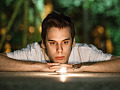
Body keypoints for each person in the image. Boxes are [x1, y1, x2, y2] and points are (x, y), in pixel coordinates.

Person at [0, 11, 120, 72]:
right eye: (52, 43)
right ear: (43, 43)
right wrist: (41, 67)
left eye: (65, 42)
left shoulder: (85, 52)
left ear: (73, 42)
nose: (59, 50)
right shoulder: (34, 52)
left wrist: (78, 67)